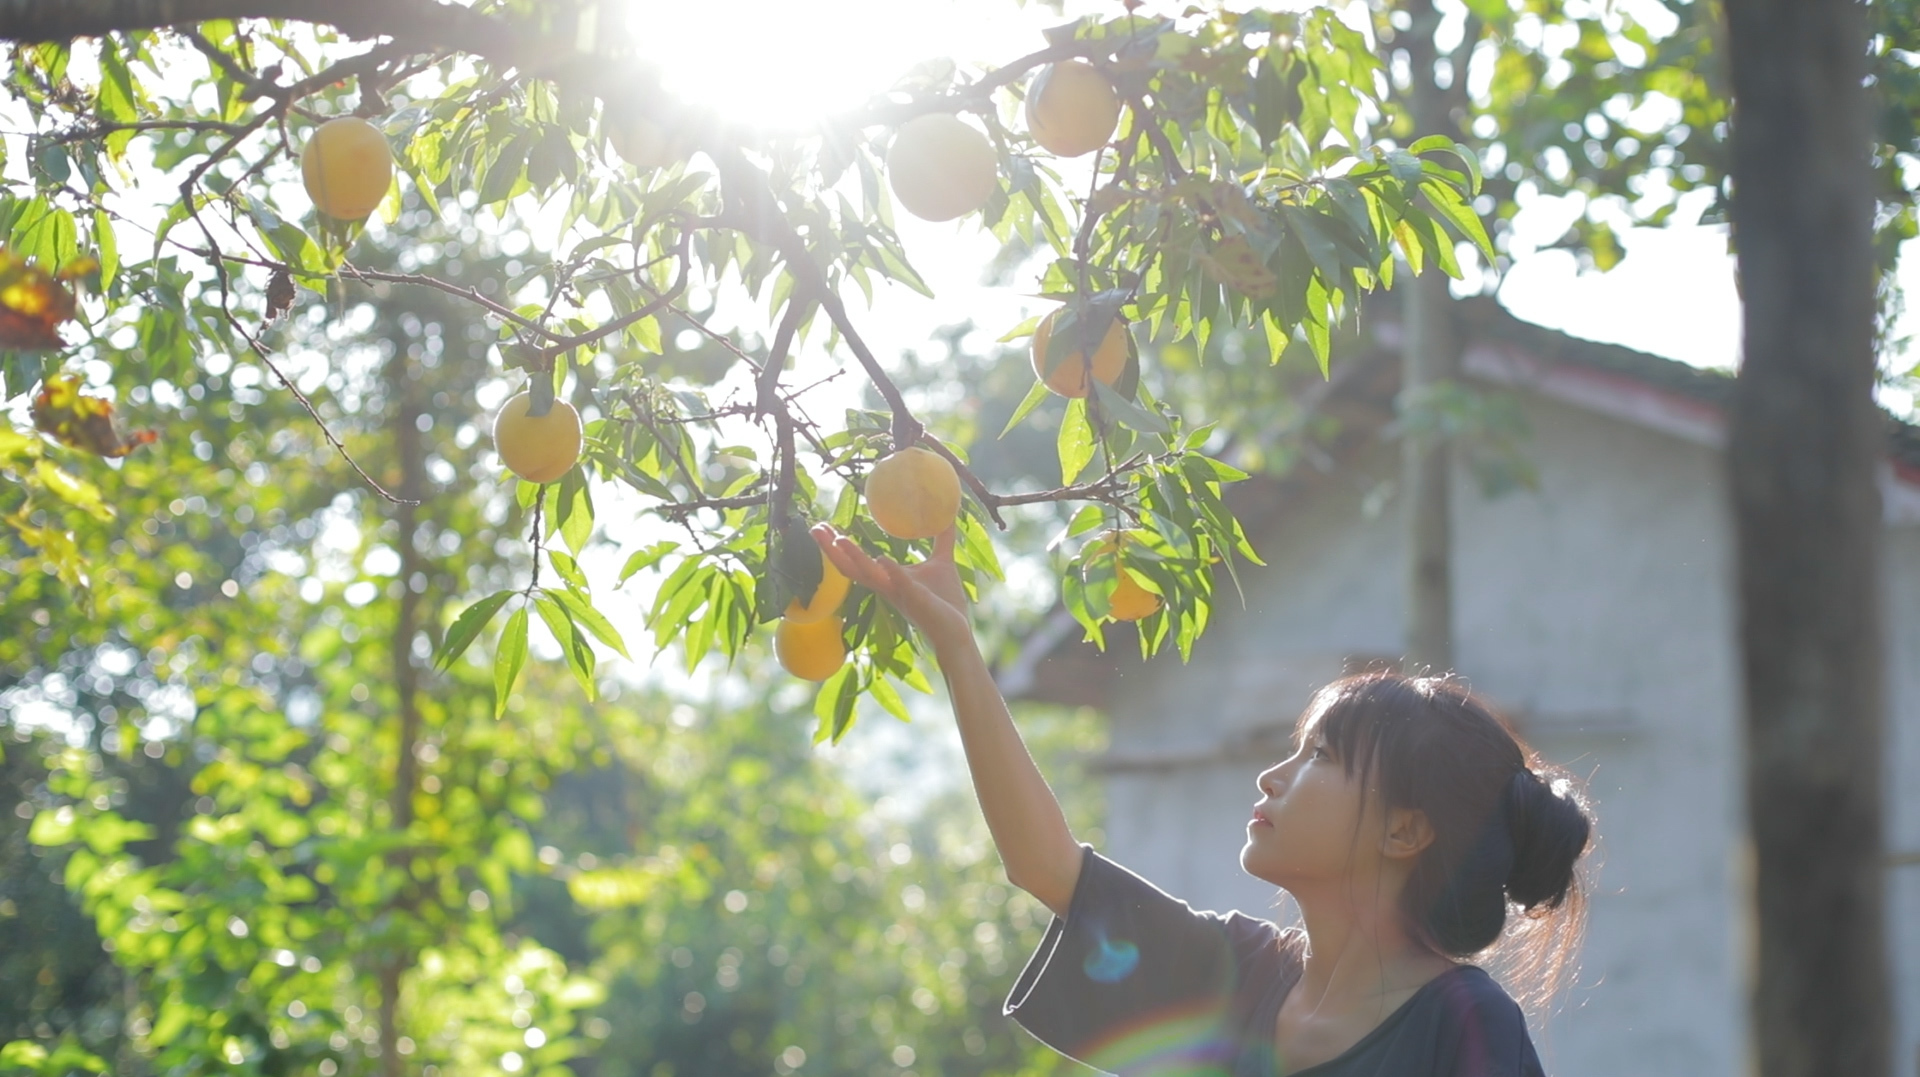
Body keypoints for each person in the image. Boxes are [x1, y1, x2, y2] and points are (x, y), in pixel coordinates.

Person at [813, 524, 1596, 1077]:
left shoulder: (1463, 1024)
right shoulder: (1236, 969)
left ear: (1405, 830)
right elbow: (1044, 864)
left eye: (1321, 756)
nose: (1272, 776)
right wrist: (956, 645)